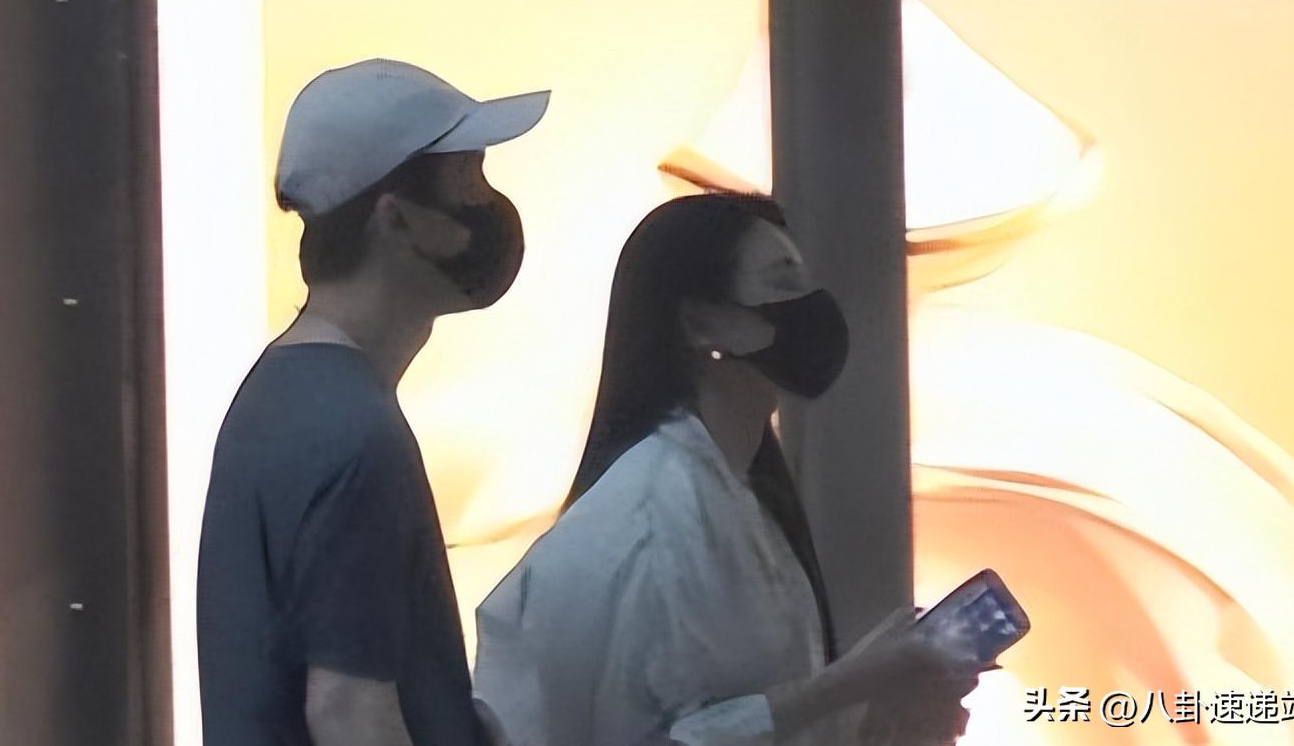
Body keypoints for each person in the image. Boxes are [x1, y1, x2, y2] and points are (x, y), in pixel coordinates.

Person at [472, 193, 981, 746]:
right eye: (783, 283)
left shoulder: (743, 500)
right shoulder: (648, 521)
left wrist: (879, 716)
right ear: (699, 323)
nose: (812, 307)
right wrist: (852, 682)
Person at [196, 59, 548, 746]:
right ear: (397, 220)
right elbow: (350, 713)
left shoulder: (279, 395)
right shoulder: (357, 434)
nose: (489, 206)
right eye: (469, 181)